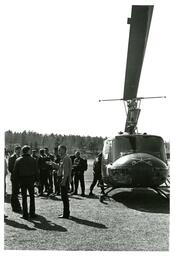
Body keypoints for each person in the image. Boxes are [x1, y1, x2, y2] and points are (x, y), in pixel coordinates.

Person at [13, 145, 38, 219]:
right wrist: (37, 180)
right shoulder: (33, 160)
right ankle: (32, 213)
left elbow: (15, 172)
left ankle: (25, 214)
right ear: (28, 151)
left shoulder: (18, 160)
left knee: (24, 197)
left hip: (22, 180)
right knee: (32, 197)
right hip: (31, 180)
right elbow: (36, 171)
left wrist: (16, 182)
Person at [51, 145, 72, 218]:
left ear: (63, 150)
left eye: (60, 150)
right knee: (64, 197)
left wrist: (63, 180)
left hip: (64, 179)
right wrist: (54, 164)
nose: (58, 151)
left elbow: (66, 171)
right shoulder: (63, 158)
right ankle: (66, 213)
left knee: (64, 197)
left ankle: (66, 214)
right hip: (63, 179)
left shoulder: (66, 158)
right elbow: (61, 168)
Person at [8, 145, 22, 212]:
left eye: (20, 151)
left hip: (20, 178)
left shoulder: (20, 157)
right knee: (14, 192)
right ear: (15, 150)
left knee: (16, 192)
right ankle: (14, 207)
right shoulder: (11, 157)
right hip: (14, 177)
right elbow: (10, 168)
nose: (19, 152)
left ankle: (17, 206)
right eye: (18, 150)